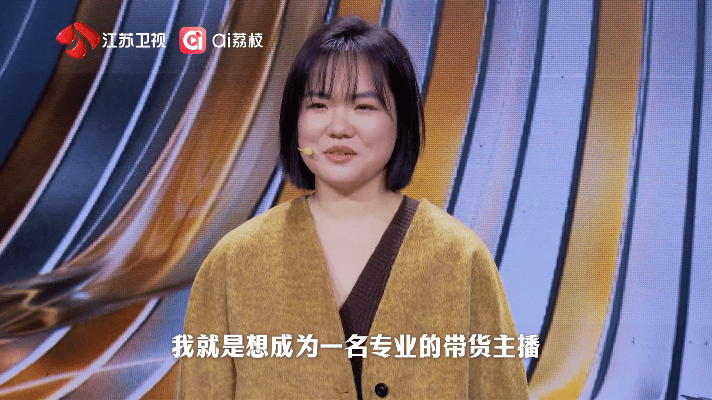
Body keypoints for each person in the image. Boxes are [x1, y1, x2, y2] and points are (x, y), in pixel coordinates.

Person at [178, 16, 528, 399]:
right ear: (294, 121)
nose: (339, 127)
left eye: (363, 106)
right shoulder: (233, 263)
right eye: (318, 105)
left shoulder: (461, 258)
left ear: (401, 121)